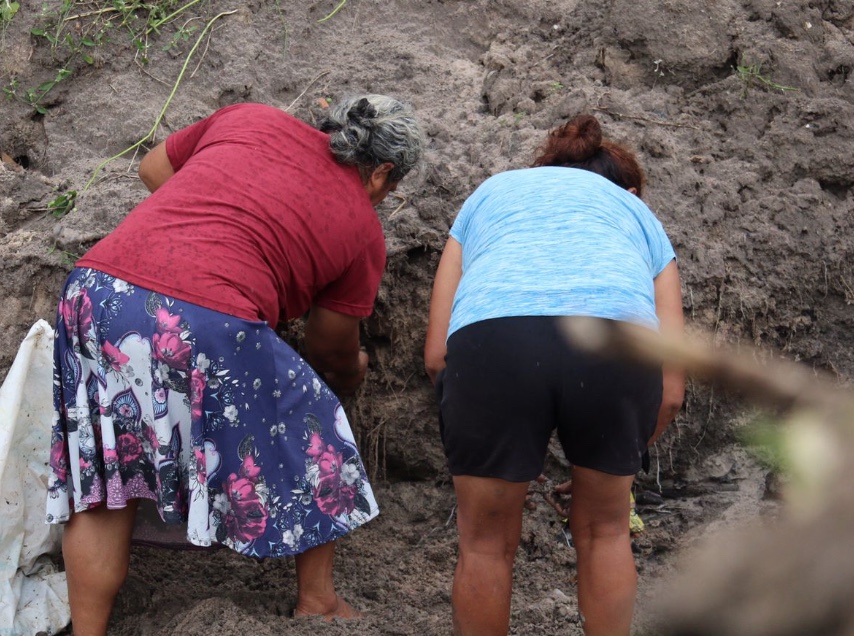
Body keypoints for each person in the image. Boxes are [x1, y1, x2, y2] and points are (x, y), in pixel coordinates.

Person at [46, 94, 423, 635]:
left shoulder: (252, 117)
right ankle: (317, 598)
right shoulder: (363, 229)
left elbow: (152, 167)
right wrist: (350, 372)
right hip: (204, 319)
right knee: (315, 418)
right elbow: (329, 351)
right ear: (383, 172)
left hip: (94, 291)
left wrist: (205, 231)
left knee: (107, 472)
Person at [423, 113, 684, 636]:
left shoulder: (489, 195)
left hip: (496, 342)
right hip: (615, 345)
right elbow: (671, 389)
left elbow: (436, 355)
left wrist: (512, 437)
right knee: (605, 531)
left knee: (484, 543)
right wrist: (620, 452)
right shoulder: (635, 213)